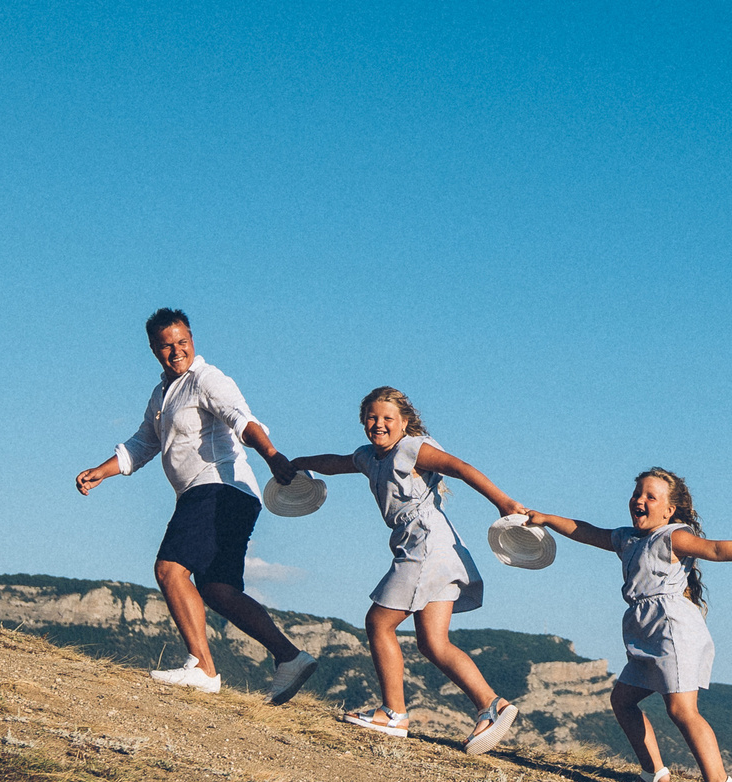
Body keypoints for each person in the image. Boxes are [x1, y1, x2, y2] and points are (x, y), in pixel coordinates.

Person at [73, 308, 318, 699]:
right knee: (219, 589)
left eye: (182, 342)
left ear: (192, 339)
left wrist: (272, 454)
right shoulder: (162, 394)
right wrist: (102, 471)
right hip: (225, 496)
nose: (176, 351)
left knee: (170, 570)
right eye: (166, 345)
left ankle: (203, 669)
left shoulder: (206, 378)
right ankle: (289, 657)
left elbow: (241, 418)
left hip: (217, 488)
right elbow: (144, 442)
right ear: (154, 349)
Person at [277, 387, 527, 752]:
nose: (378, 424)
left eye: (387, 419)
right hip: (436, 549)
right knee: (433, 643)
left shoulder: (412, 448)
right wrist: (300, 462)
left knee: (378, 623)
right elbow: (338, 461)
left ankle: (393, 714)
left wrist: (502, 502)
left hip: (425, 546)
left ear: (404, 423)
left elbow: (460, 468)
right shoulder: (368, 457)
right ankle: (493, 705)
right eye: (372, 418)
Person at [521, 468, 732, 782]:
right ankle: (655, 775)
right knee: (623, 700)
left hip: (672, 627)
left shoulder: (672, 537)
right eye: (637, 494)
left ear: (669, 510)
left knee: (682, 709)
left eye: (651, 497)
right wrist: (545, 518)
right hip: (642, 627)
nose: (640, 500)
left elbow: (716, 549)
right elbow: (587, 531)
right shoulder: (627, 538)